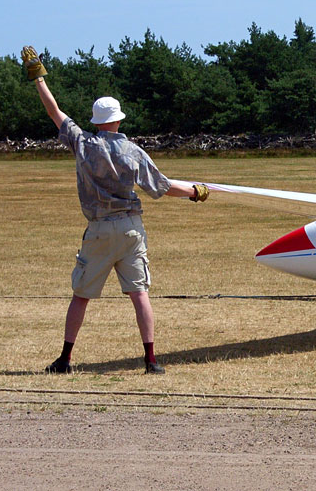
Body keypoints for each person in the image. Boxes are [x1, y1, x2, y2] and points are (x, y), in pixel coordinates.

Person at [22, 45, 209, 375]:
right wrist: (195, 192)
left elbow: (54, 111)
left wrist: (39, 78)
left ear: (96, 121)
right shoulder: (133, 151)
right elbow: (162, 187)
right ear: (119, 119)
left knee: (81, 296)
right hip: (130, 229)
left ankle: (65, 359)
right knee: (140, 294)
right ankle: (151, 361)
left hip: (98, 230)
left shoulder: (83, 143)